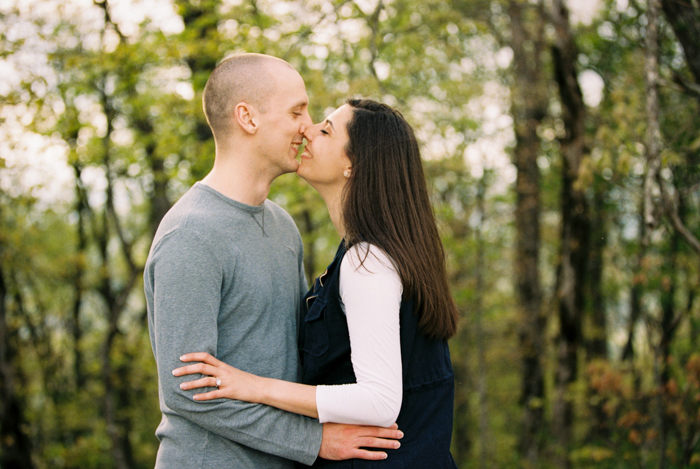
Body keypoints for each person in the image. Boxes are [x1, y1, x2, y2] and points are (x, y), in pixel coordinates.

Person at [144, 55, 403, 469]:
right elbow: (188, 389)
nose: (308, 125)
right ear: (247, 117)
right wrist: (312, 440)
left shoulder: (283, 227)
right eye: (297, 111)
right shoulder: (190, 235)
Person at [173, 99, 460, 467]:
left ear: (352, 165)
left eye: (325, 129)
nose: (307, 130)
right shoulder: (380, 253)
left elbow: (380, 401)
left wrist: (253, 386)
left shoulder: (366, 262)